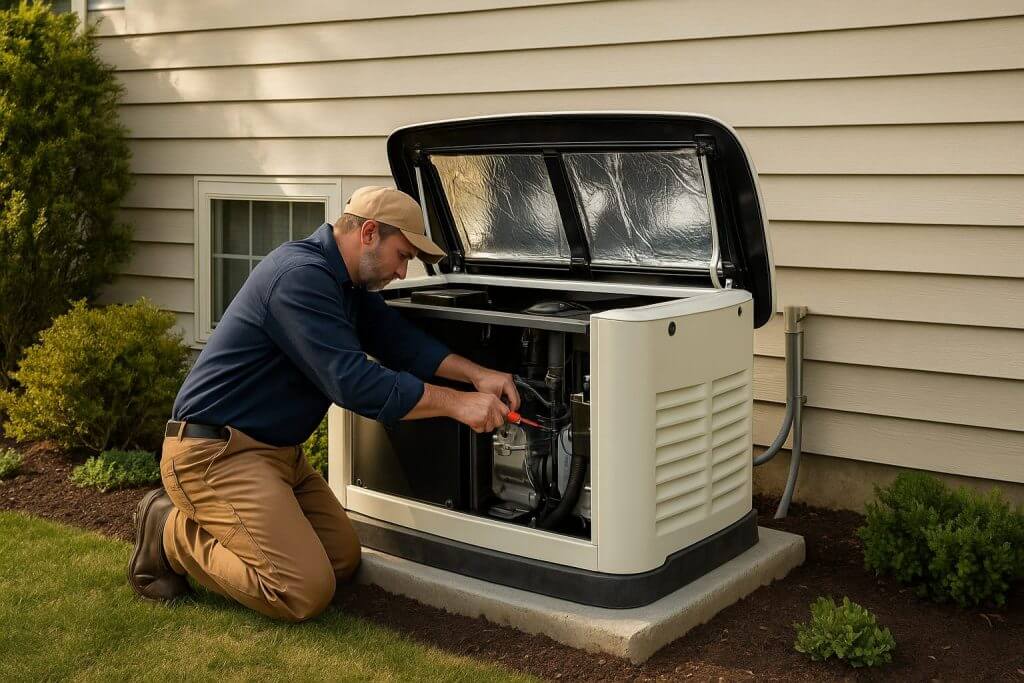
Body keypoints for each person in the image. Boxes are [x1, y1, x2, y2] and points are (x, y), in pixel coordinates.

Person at [127, 186, 519, 622]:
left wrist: (477, 375)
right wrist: (457, 404)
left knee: (341, 559)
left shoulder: (346, 284)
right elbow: (353, 384)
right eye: (403, 255)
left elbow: (400, 343)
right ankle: (169, 532)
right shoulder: (299, 276)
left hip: (277, 456)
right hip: (215, 454)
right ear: (369, 232)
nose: (403, 272)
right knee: (302, 590)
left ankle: (215, 528)